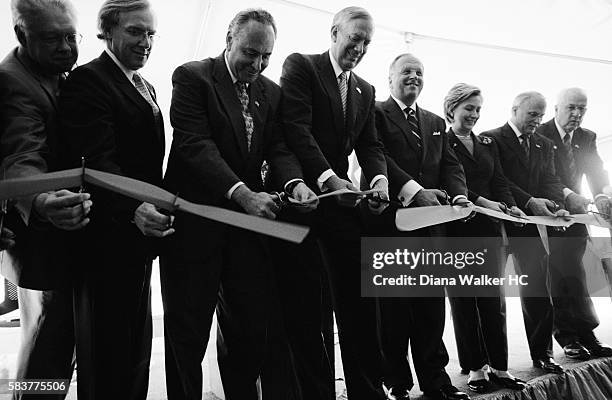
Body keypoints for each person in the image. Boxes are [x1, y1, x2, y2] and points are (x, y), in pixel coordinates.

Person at [161, 8, 317, 400]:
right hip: (194, 229)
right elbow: (195, 145)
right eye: (250, 53)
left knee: (248, 330)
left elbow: (279, 148)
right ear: (228, 41)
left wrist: (295, 182)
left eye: (266, 56)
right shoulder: (192, 76)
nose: (258, 64)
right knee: (188, 334)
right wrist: (243, 194)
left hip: (246, 233)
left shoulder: (271, 91)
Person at [58, 0, 171, 398]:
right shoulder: (89, 81)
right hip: (105, 241)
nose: (146, 42)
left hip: (139, 241)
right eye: (136, 31)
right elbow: (96, 162)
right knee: (105, 355)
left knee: (135, 350)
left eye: (151, 33)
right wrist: (133, 208)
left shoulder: (145, 84)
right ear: (107, 30)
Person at [279, 6, 389, 400]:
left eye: (366, 42)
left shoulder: (366, 89)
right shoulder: (301, 66)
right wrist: (328, 177)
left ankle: (368, 391)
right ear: (334, 32)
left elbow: (370, 145)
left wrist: (377, 181)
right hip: (307, 204)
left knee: (362, 307)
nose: (359, 48)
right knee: (312, 314)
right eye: (354, 38)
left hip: (345, 211)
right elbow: (296, 128)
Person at [0, 1, 92, 398]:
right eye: (53, 39)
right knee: (45, 348)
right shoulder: (11, 83)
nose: (67, 47)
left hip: (64, 239)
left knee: (56, 344)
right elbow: (22, 157)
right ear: (22, 36)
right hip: (41, 243)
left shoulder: (59, 70)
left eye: (72, 36)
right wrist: (42, 199)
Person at [369, 53, 470, 400]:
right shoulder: (375, 112)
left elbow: (451, 166)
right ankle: (396, 381)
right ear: (390, 78)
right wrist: (414, 192)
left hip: (433, 230)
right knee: (393, 310)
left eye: (419, 72)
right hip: (392, 224)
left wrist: (458, 198)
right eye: (406, 71)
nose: (414, 77)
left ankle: (436, 379)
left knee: (430, 307)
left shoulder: (434, 122)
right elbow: (377, 156)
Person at [443, 83, 526, 394]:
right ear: (452, 109)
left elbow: (500, 182)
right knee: (465, 302)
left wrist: (512, 207)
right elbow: (451, 182)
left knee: (494, 302)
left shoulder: (489, 144)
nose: (475, 114)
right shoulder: (442, 142)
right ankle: (476, 369)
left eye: (478, 109)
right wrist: (484, 203)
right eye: (469, 108)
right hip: (458, 232)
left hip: (490, 231)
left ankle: (500, 367)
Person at [481, 91, 568, 374]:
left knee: (538, 292)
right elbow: (498, 179)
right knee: (493, 298)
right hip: (497, 224)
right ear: (515, 109)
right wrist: (528, 201)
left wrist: (556, 205)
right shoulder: (490, 138)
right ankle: (488, 364)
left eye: (541, 116)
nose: (538, 120)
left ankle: (543, 354)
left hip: (530, 229)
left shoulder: (544, 144)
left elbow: (551, 180)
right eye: (532, 114)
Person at [536, 87, 612, 359]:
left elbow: (596, 169)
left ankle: (588, 333)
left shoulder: (587, 137)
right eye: (571, 107)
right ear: (557, 108)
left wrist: (602, 194)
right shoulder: (539, 132)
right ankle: (567, 337)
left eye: (582, 109)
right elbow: (546, 176)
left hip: (578, 216)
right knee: (557, 276)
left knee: (576, 274)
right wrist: (568, 196)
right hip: (548, 215)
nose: (577, 114)